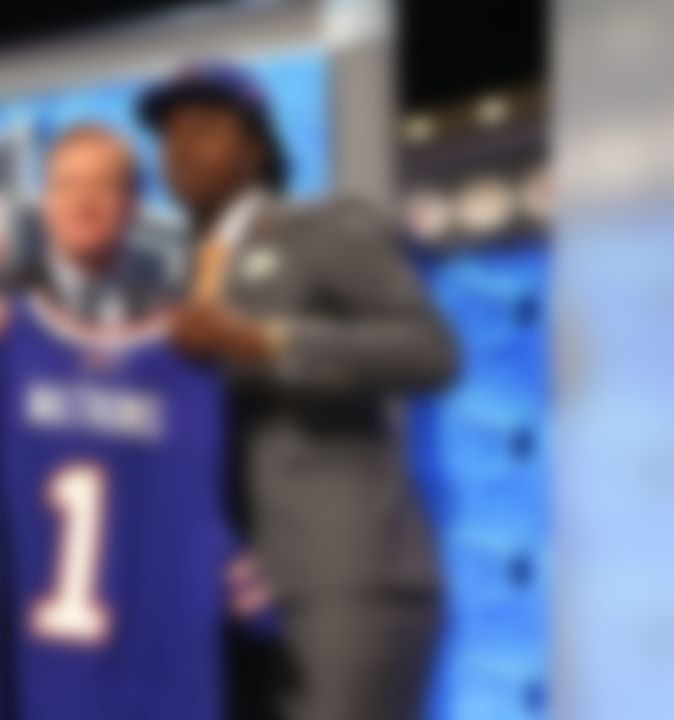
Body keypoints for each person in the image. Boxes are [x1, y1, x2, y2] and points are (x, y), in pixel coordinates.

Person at [138, 62, 459, 720]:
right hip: (231, 594)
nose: (181, 147)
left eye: (204, 128)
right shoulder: (174, 282)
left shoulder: (320, 228)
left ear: (256, 148)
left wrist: (270, 341)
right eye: (169, 135)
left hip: (342, 579)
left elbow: (432, 350)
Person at [0, 124, 177, 720]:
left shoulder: (167, 326)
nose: (83, 201)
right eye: (68, 185)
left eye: (103, 185)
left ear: (134, 204)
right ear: (44, 202)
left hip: (119, 633)